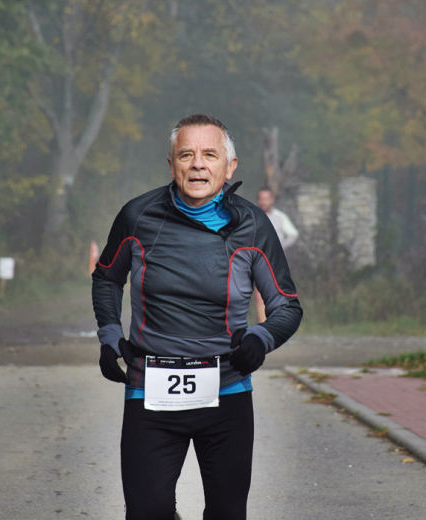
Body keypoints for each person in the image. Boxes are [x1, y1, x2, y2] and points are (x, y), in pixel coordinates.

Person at [92, 114, 302, 520]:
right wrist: (109, 335)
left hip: (227, 393)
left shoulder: (253, 225)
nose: (198, 164)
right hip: (150, 390)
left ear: (230, 166)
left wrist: (261, 339)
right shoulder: (137, 216)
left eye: (210, 154)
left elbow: (286, 306)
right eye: (186, 154)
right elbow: (106, 278)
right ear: (171, 165)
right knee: (146, 512)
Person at [254, 187, 299, 323]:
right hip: (256, 261)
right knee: (259, 296)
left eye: (266, 199)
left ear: (272, 200)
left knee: (276, 294)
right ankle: (263, 327)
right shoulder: (252, 214)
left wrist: (280, 247)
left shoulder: (280, 217)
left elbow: (293, 234)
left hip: (275, 262)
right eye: (261, 199)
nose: (263, 202)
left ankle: (276, 324)